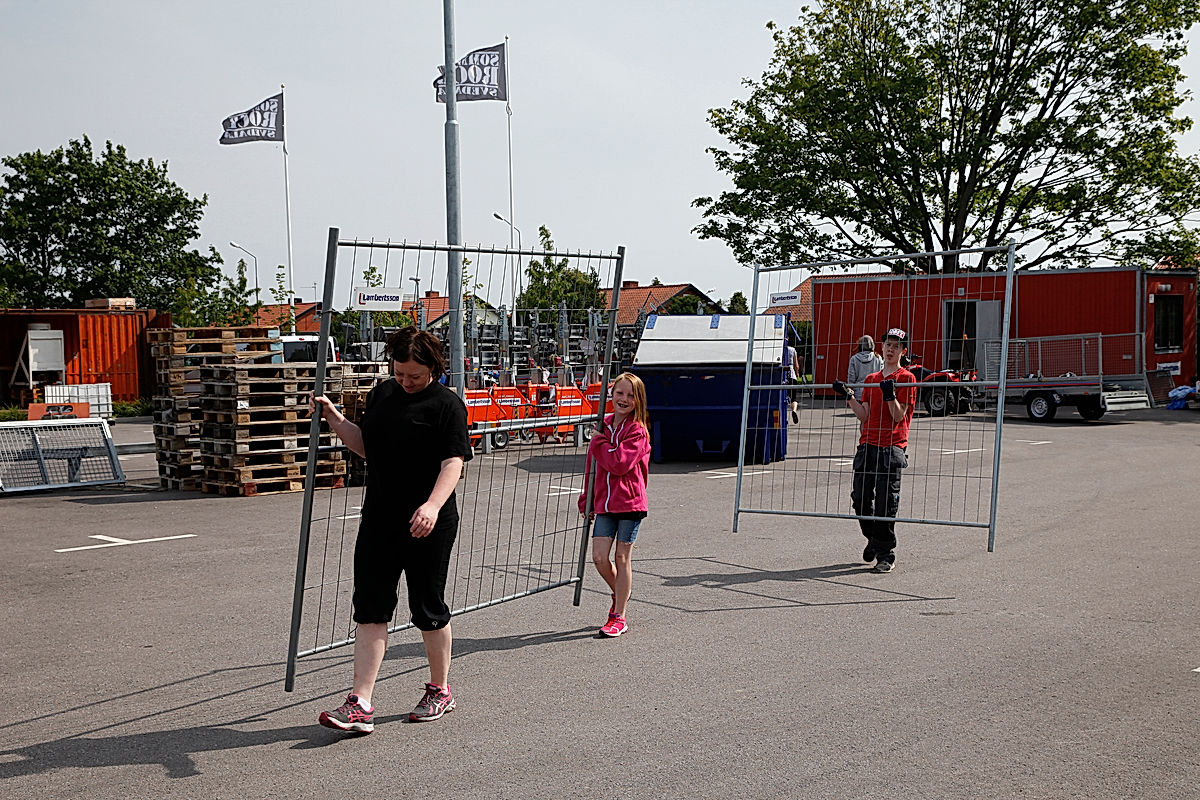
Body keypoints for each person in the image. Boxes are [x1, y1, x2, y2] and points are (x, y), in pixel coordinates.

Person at [310, 327, 472, 733]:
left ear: (433, 368)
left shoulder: (447, 406)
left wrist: (432, 506)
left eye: (414, 375)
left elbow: (453, 463)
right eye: (399, 373)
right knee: (371, 606)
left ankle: (440, 689)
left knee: (427, 606)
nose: (405, 381)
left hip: (428, 523)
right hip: (379, 518)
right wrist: (334, 418)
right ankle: (360, 703)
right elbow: (367, 446)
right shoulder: (382, 394)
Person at [832, 327, 916, 574]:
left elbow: (898, 416)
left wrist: (890, 395)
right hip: (868, 444)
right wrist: (849, 396)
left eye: (896, 346)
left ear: (903, 351)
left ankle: (885, 554)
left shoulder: (907, 378)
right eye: (888, 345)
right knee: (860, 499)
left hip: (891, 446)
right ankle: (874, 540)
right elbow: (864, 415)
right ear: (882, 348)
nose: (891, 350)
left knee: (885, 504)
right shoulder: (871, 379)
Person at [578, 372, 651, 637]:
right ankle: (621, 591)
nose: (624, 399)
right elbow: (593, 466)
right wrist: (587, 498)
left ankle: (619, 615)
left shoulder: (637, 431)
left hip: (630, 504)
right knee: (599, 557)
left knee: (622, 557)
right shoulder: (604, 425)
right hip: (605, 505)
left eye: (630, 395)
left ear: (638, 400)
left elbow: (619, 463)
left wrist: (598, 442)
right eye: (619, 393)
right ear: (611, 394)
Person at [846, 334, 884, 402]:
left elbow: (851, 378)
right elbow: (882, 373)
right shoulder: (878, 358)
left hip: (859, 392)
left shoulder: (854, 358)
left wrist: (849, 392)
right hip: (874, 391)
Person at [785, 341, 801, 424]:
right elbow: (796, 365)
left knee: (783, 399)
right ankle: (794, 410)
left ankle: (784, 417)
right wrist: (797, 373)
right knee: (793, 398)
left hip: (782, 376)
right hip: (791, 375)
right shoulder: (793, 350)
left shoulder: (780, 349)